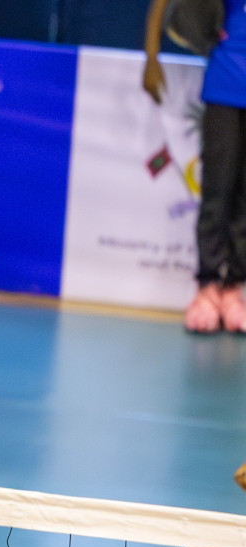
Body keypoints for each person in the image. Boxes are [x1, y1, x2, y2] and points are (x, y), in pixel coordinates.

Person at [144, 0, 246, 332]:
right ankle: (207, 287)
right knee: (217, 191)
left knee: (245, 198)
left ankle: (234, 288)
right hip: (225, 88)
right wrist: (151, 56)